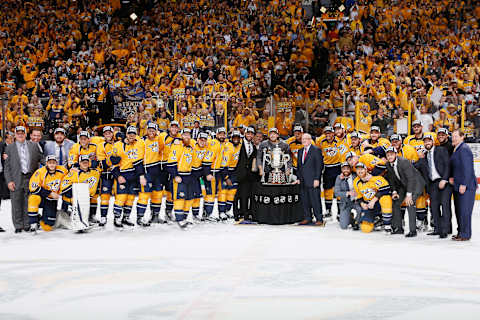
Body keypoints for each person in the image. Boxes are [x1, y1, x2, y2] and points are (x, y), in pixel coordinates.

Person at [4, 126, 44, 233]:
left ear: (26, 134)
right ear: (15, 135)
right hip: (16, 177)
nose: (20, 135)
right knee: (16, 201)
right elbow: (6, 167)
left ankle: (27, 224)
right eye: (18, 133)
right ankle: (18, 225)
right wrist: (9, 181)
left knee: (28, 200)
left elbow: (42, 159)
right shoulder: (9, 148)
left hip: (30, 177)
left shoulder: (33, 146)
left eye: (22, 133)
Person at [416, 134, 451, 238]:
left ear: (433, 142)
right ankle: (437, 229)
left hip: (443, 181)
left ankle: (445, 230)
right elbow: (417, 167)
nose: (427, 143)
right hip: (432, 184)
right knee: (434, 207)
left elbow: (448, 165)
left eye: (429, 141)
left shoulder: (441, 150)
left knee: (445, 206)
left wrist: (444, 179)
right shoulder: (424, 155)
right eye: (425, 142)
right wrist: (420, 158)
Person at [385, 146, 426, 237]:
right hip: (404, 184)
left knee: (410, 202)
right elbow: (392, 179)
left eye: (391, 154)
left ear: (396, 154)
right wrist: (394, 191)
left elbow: (411, 178)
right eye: (388, 155)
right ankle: (398, 228)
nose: (390, 157)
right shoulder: (388, 164)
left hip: (416, 183)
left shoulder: (404, 162)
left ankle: (413, 231)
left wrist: (409, 194)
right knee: (396, 202)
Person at [111, 126, 147, 228]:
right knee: (121, 198)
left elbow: (138, 163)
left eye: (133, 134)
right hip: (122, 175)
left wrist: (140, 176)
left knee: (130, 198)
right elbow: (112, 165)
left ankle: (126, 217)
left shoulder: (137, 144)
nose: (131, 136)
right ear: (126, 134)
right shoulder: (117, 145)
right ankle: (117, 217)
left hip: (133, 175)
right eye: (130, 134)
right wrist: (118, 176)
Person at [449, 130, 477, 241]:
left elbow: (468, 169)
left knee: (465, 211)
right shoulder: (456, 149)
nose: (454, 138)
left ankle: (465, 234)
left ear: (462, 137)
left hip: (466, 186)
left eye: (456, 136)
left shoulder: (464, 149)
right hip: (457, 185)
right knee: (459, 210)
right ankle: (461, 232)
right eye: (453, 136)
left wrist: (464, 184)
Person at [28, 155, 67, 232]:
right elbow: (33, 188)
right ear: (46, 163)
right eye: (50, 163)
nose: (52, 165)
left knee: (47, 227)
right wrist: (50, 193)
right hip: (42, 197)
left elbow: (69, 179)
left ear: (56, 163)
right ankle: (33, 222)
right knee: (33, 198)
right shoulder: (40, 172)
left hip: (51, 200)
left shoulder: (62, 170)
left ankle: (41, 219)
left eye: (53, 163)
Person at [296, 133, 324, 226]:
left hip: (313, 180)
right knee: (305, 200)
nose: (303, 141)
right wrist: (299, 178)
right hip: (303, 180)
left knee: (315, 200)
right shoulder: (300, 151)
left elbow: (319, 166)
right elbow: (299, 166)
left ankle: (319, 218)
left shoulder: (316, 150)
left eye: (306, 139)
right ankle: (307, 217)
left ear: (310, 140)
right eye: (302, 139)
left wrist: (317, 179)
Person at [233, 126, 258, 222]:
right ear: (245, 134)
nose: (250, 135)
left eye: (251, 134)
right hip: (239, 173)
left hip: (248, 175)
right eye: (248, 133)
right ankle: (237, 213)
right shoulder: (239, 143)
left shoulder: (253, 146)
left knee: (246, 195)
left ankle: (245, 213)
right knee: (237, 195)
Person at [334, 162, 360, 230]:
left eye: (347, 168)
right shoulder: (339, 178)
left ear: (350, 169)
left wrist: (357, 192)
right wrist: (347, 193)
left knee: (360, 210)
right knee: (343, 226)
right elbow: (336, 193)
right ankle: (350, 217)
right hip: (346, 203)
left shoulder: (356, 176)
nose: (346, 170)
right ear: (341, 170)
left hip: (356, 201)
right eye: (344, 169)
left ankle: (356, 221)